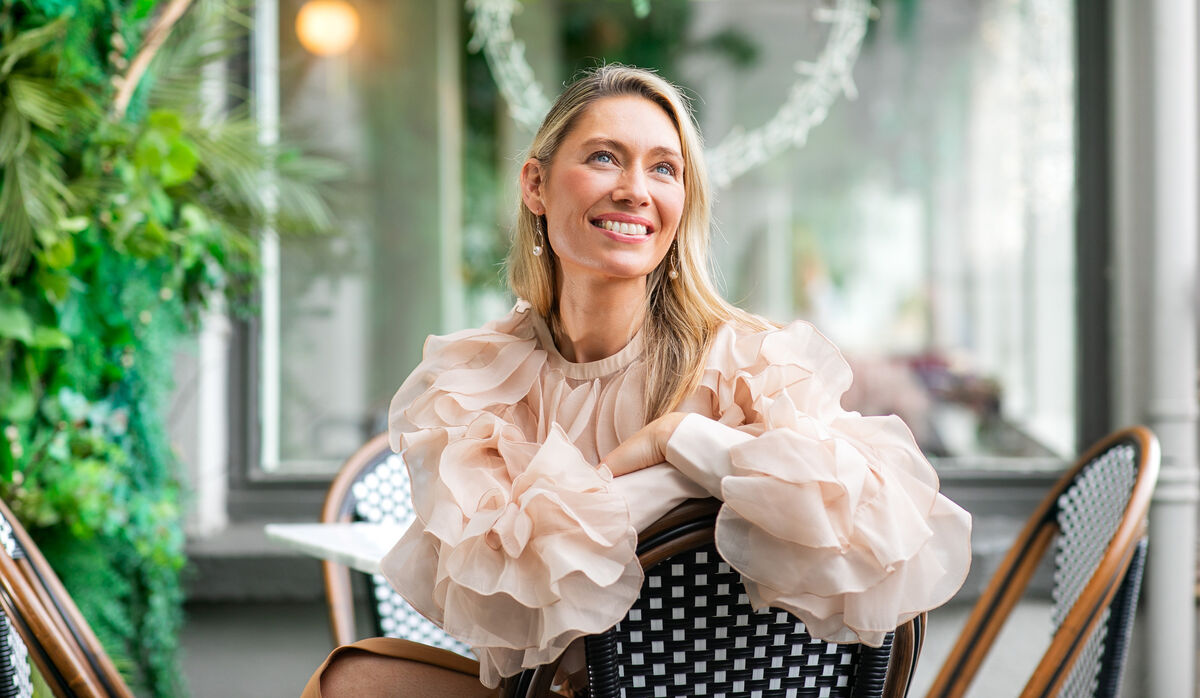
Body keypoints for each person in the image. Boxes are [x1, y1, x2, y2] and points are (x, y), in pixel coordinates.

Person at [303, 64, 971, 697]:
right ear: (535, 185)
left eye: (664, 168)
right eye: (603, 157)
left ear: (683, 202)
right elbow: (507, 616)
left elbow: (881, 523)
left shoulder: (745, 366)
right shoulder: (477, 384)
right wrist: (665, 477)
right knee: (352, 680)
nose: (635, 188)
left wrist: (683, 439)